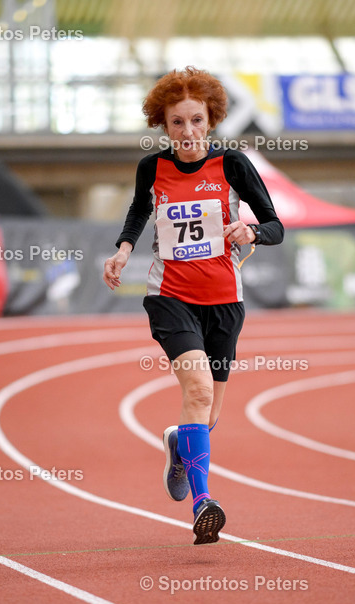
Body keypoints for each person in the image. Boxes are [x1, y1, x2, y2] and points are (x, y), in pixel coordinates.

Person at [103, 66, 283, 545]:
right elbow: (141, 209)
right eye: (177, 123)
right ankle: (204, 504)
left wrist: (252, 231)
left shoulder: (232, 166)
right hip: (170, 296)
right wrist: (124, 248)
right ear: (163, 124)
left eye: (197, 121)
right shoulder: (153, 168)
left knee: (208, 415)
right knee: (198, 390)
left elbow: (275, 225)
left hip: (225, 301)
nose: (188, 132)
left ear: (212, 120)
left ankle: (180, 444)